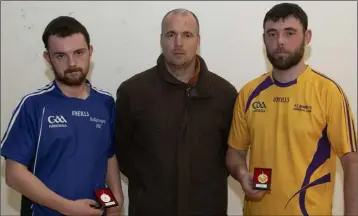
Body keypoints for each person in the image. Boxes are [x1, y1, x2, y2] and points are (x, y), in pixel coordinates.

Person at [226, 2, 357, 216]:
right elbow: (235, 152)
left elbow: (352, 162)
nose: (280, 41)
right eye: (272, 34)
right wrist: (241, 173)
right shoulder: (249, 93)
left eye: (289, 33)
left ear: (307, 37)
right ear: (264, 39)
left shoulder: (328, 92)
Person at [114, 8, 238, 216]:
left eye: (187, 35)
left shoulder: (225, 94)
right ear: (161, 39)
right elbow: (122, 152)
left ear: (198, 40)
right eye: (171, 35)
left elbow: (231, 154)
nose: (178, 43)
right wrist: (151, 185)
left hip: (208, 209)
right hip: (150, 209)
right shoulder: (133, 92)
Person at [1, 16, 124, 216]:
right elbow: (14, 175)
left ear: (90, 52)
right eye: (60, 56)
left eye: (79, 52)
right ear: (48, 58)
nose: (72, 62)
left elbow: (108, 154)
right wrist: (67, 208)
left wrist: (116, 198)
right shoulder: (33, 105)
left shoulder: (105, 102)